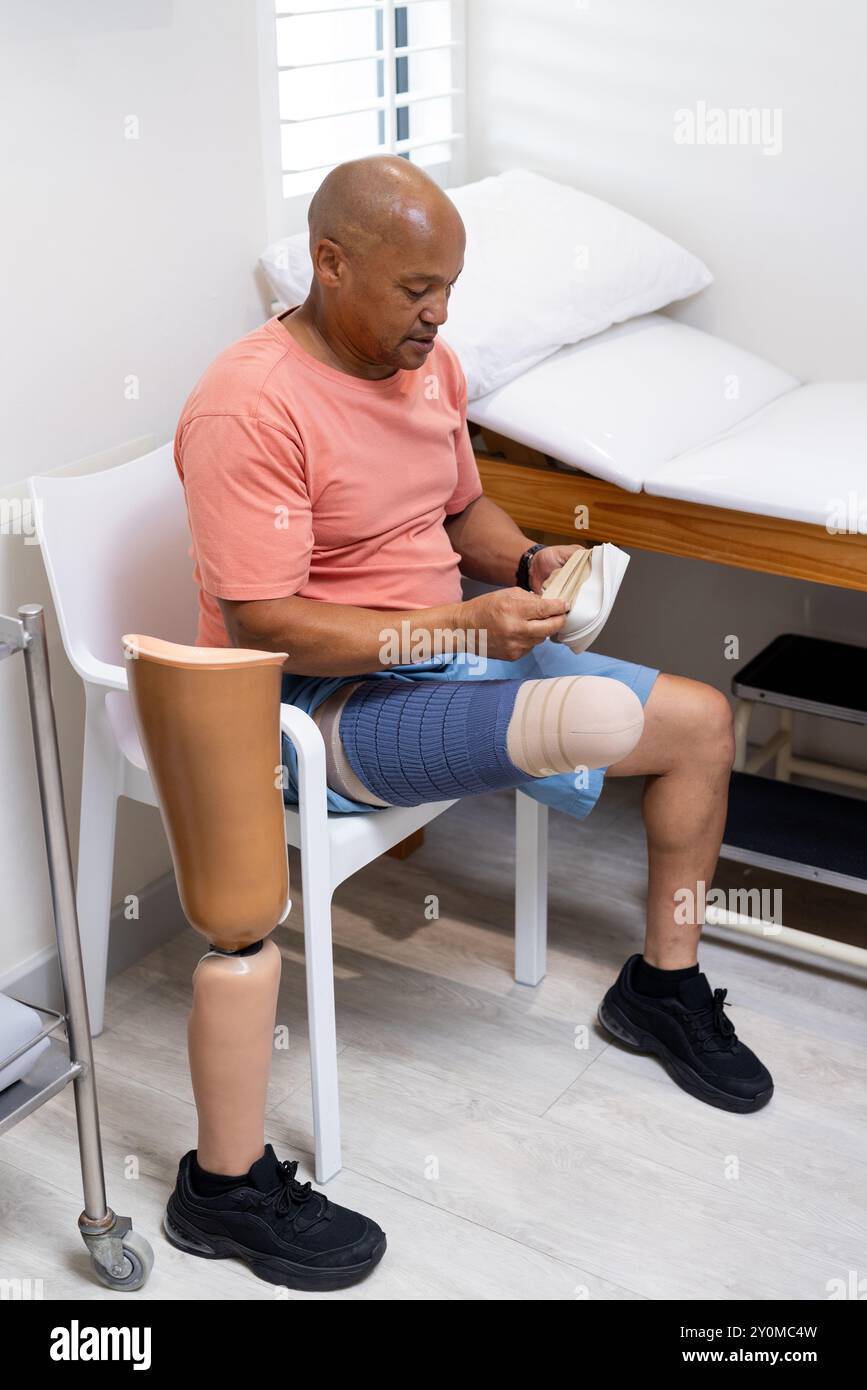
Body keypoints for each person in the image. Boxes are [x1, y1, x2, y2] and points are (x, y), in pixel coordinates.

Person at [170, 153, 773, 1288]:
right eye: (414, 289)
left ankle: (664, 987)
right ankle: (226, 1181)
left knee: (699, 724)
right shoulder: (249, 404)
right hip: (325, 708)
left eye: (449, 287)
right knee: (591, 712)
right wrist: (456, 630)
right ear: (329, 261)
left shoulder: (431, 367)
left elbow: (462, 507)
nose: (438, 314)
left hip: (444, 661)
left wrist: (530, 560)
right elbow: (264, 622)